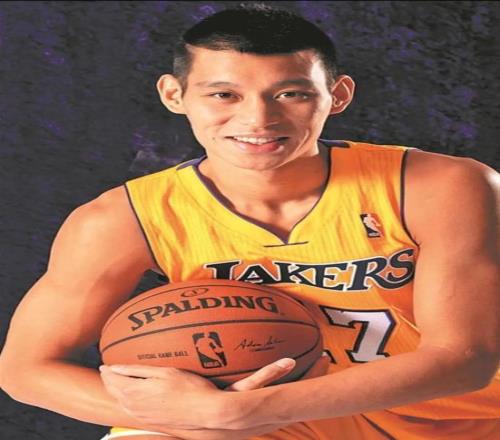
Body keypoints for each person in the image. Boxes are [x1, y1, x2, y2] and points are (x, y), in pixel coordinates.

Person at [1, 4, 499, 440]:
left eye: (291, 94)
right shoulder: (123, 219)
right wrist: (195, 415)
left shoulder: (442, 186)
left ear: (338, 95)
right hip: (279, 418)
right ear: (174, 95)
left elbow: (465, 359)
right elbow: (24, 369)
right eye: (224, 95)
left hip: (470, 418)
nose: (258, 119)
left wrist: (235, 411)